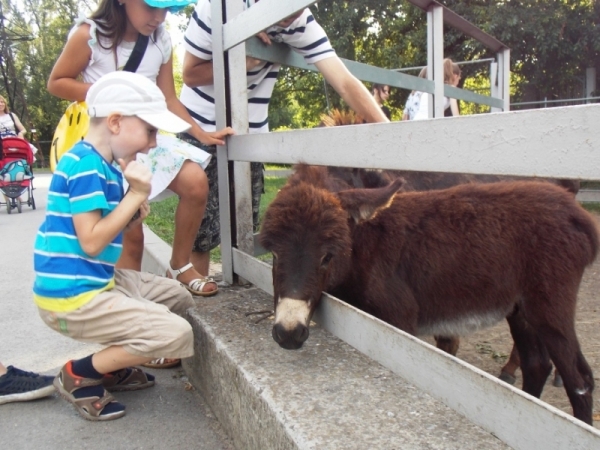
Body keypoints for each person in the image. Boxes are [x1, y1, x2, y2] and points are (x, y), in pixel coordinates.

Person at [180, 1, 389, 280]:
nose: (297, 14)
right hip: (204, 125)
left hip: (249, 135)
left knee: (244, 226)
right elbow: (190, 73)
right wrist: (244, 62)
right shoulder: (217, 7)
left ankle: (236, 285)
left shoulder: (301, 21)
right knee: (201, 229)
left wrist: (390, 134)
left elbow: (345, 82)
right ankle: (198, 294)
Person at [47, 0, 235, 303]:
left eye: (167, 10)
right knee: (130, 233)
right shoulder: (90, 35)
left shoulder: (160, 39)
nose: (159, 17)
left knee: (196, 181)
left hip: (146, 137)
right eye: (152, 7)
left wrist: (201, 133)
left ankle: (180, 265)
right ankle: (129, 307)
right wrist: (110, 93)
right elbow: (56, 82)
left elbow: (168, 98)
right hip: (106, 143)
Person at [34, 71, 196, 421]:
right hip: (73, 297)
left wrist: (132, 214)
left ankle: (113, 364)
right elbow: (92, 241)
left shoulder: (101, 165)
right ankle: (80, 373)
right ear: (116, 122)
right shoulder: (85, 165)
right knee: (175, 331)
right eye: (151, 131)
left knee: (178, 297)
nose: (153, 143)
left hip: (94, 280)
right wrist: (136, 194)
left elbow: (99, 232)